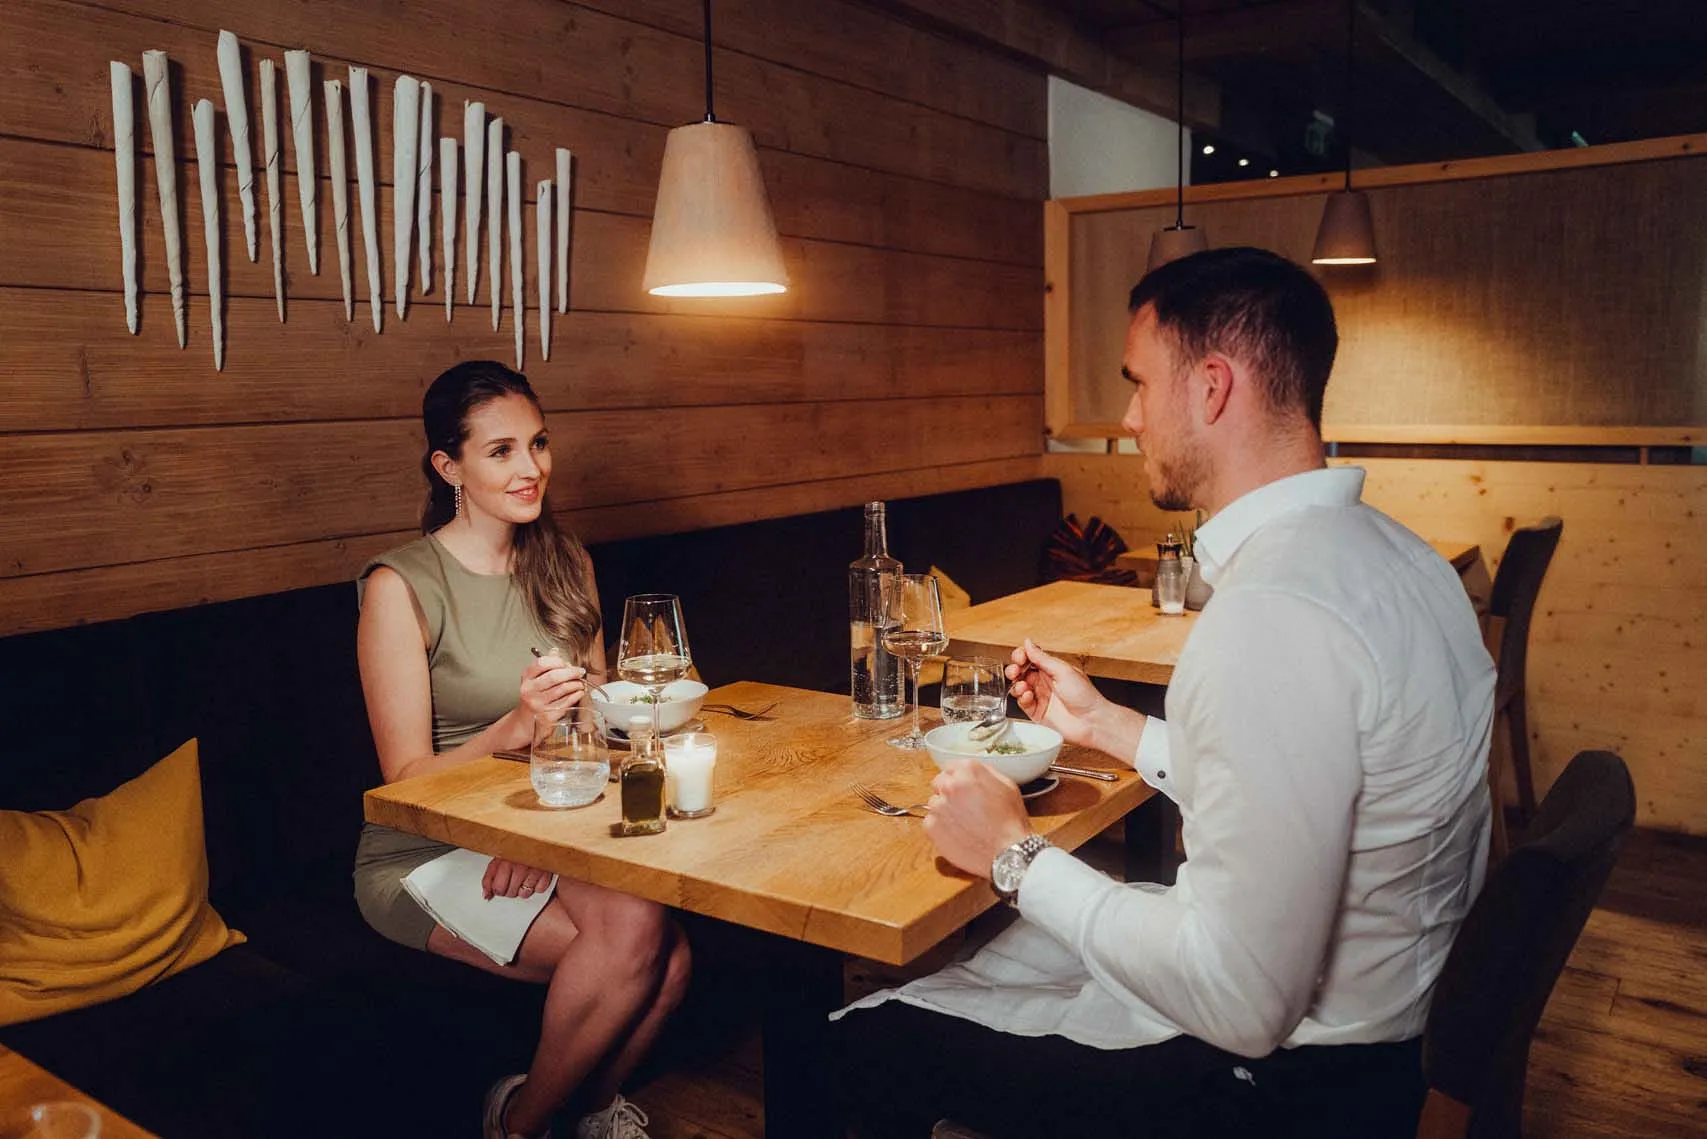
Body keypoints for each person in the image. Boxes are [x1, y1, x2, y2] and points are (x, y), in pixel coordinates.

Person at [836, 248, 1494, 1137]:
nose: (1128, 415)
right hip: (1399, 1025)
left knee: (848, 1048)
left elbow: (1241, 1003)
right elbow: (1308, 784)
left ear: (1212, 388)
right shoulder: (1402, 559)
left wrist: (1012, 855)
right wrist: (1107, 725)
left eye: (1141, 384)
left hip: (1293, 1090)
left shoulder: (1273, 614)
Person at [354, 361, 689, 1139]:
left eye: (537, 443)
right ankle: (524, 1126)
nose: (530, 467)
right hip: (425, 843)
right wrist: (512, 728)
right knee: (638, 946)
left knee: (667, 953)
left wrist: (542, 834)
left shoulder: (566, 561)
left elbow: (604, 726)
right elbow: (402, 782)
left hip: (548, 814)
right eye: (500, 450)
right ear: (450, 467)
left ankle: (567, 1113)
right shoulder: (398, 586)